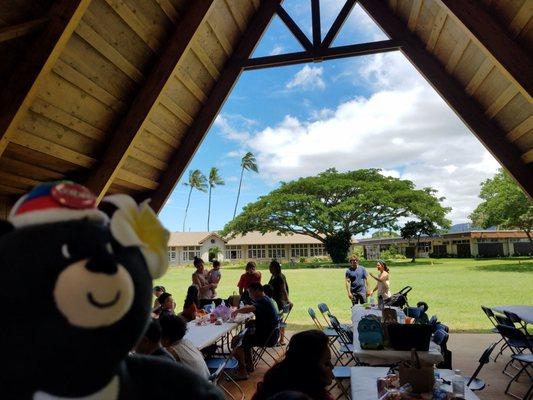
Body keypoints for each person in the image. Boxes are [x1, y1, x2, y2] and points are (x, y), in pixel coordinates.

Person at [252, 330, 334, 400]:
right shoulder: (314, 396)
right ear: (308, 368)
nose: (332, 367)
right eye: (326, 364)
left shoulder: (272, 381)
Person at [231, 282, 279, 380]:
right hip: (271, 334)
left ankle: (242, 371)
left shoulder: (262, 301)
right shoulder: (266, 299)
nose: (249, 294)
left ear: (256, 290)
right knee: (246, 333)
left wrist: (237, 311)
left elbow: (250, 308)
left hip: (267, 338)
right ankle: (249, 364)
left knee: (236, 341)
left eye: (250, 292)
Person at [160, 314, 211, 380]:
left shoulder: (171, 351)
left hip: (197, 388)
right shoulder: (187, 342)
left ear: (166, 339)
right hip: (208, 383)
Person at [268, 260, 292, 345]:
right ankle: (277, 338)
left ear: (275, 268)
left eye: (270, 267)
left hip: (279, 302)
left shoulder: (280, 277)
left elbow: (284, 289)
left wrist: (288, 300)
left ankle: (281, 339)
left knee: (280, 321)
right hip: (274, 301)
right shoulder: (273, 276)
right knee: (278, 320)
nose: (269, 269)